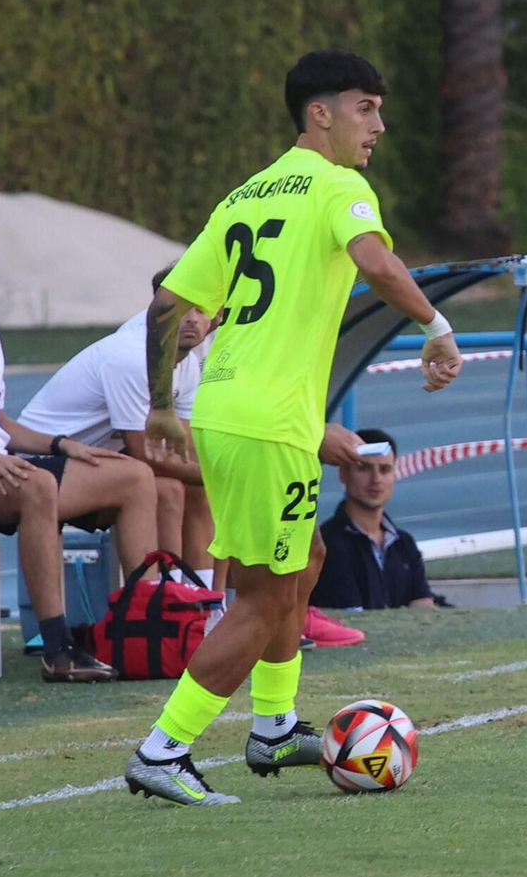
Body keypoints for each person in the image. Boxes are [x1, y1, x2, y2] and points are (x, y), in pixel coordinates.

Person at [125, 50, 464, 805]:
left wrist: (158, 405)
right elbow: (376, 263)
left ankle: (273, 728)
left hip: (224, 408)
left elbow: (165, 305)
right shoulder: (340, 187)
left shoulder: (244, 195)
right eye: (365, 107)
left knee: (301, 560)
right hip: (271, 423)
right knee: (266, 599)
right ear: (322, 112)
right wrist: (437, 325)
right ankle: (162, 748)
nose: (377, 123)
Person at [0, 223, 164, 683]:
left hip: (4, 466)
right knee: (39, 485)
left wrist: (63, 446)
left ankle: (143, 627)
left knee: (133, 475)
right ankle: (58, 648)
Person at [18, 265, 216, 570]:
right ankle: (161, 600)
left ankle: (206, 607)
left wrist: (221, 475)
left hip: (93, 460)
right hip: (36, 461)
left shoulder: (186, 362)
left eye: (200, 309)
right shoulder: (131, 357)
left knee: (195, 488)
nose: (191, 318)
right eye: (181, 309)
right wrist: (221, 478)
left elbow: (183, 448)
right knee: (167, 489)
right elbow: (143, 453)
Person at [311, 429, 434, 611]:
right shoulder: (329, 544)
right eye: (364, 468)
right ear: (343, 474)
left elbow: (422, 604)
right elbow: (352, 619)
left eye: (385, 470)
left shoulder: (404, 543)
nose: (376, 479)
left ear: (394, 475)